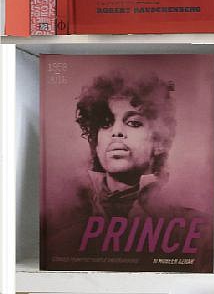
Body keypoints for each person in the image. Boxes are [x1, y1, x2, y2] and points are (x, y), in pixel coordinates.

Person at [43, 68, 202, 259]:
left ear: (159, 141)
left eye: (133, 123)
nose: (116, 132)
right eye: (105, 123)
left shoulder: (193, 228)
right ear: (96, 141)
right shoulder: (58, 224)